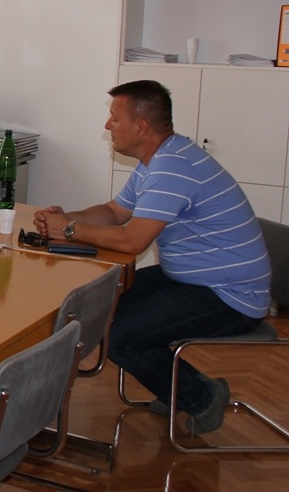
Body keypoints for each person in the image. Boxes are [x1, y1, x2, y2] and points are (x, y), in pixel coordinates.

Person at [34, 79, 270, 435]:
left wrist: (68, 230)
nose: (107, 125)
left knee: (122, 337)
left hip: (229, 295)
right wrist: (66, 218)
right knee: (100, 302)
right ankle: (177, 388)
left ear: (141, 127)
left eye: (115, 118)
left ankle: (202, 397)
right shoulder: (159, 159)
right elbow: (114, 213)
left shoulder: (173, 167)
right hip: (190, 278)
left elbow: (133, 240)